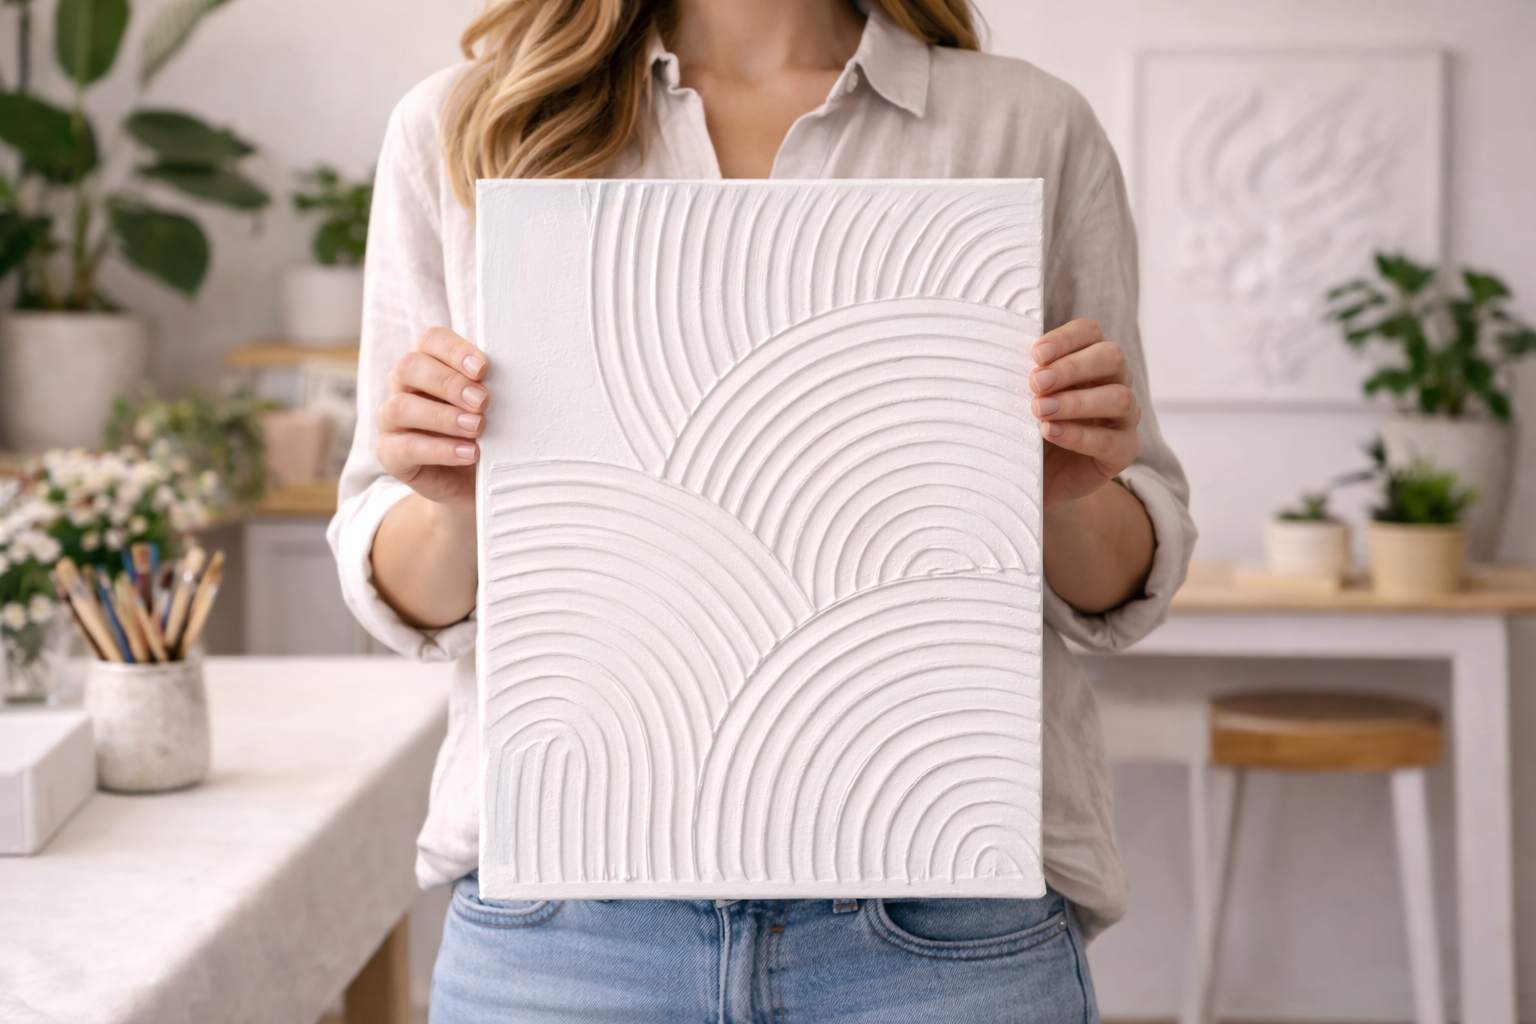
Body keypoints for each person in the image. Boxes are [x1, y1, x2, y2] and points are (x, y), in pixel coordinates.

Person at [329, 0, 1195, 1019]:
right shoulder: (466, 126)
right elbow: (403, 588)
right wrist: (460, 503)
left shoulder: (1027, 125)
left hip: (942, 932)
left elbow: (1126, 578)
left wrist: (1067, 491)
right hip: (570, 934)